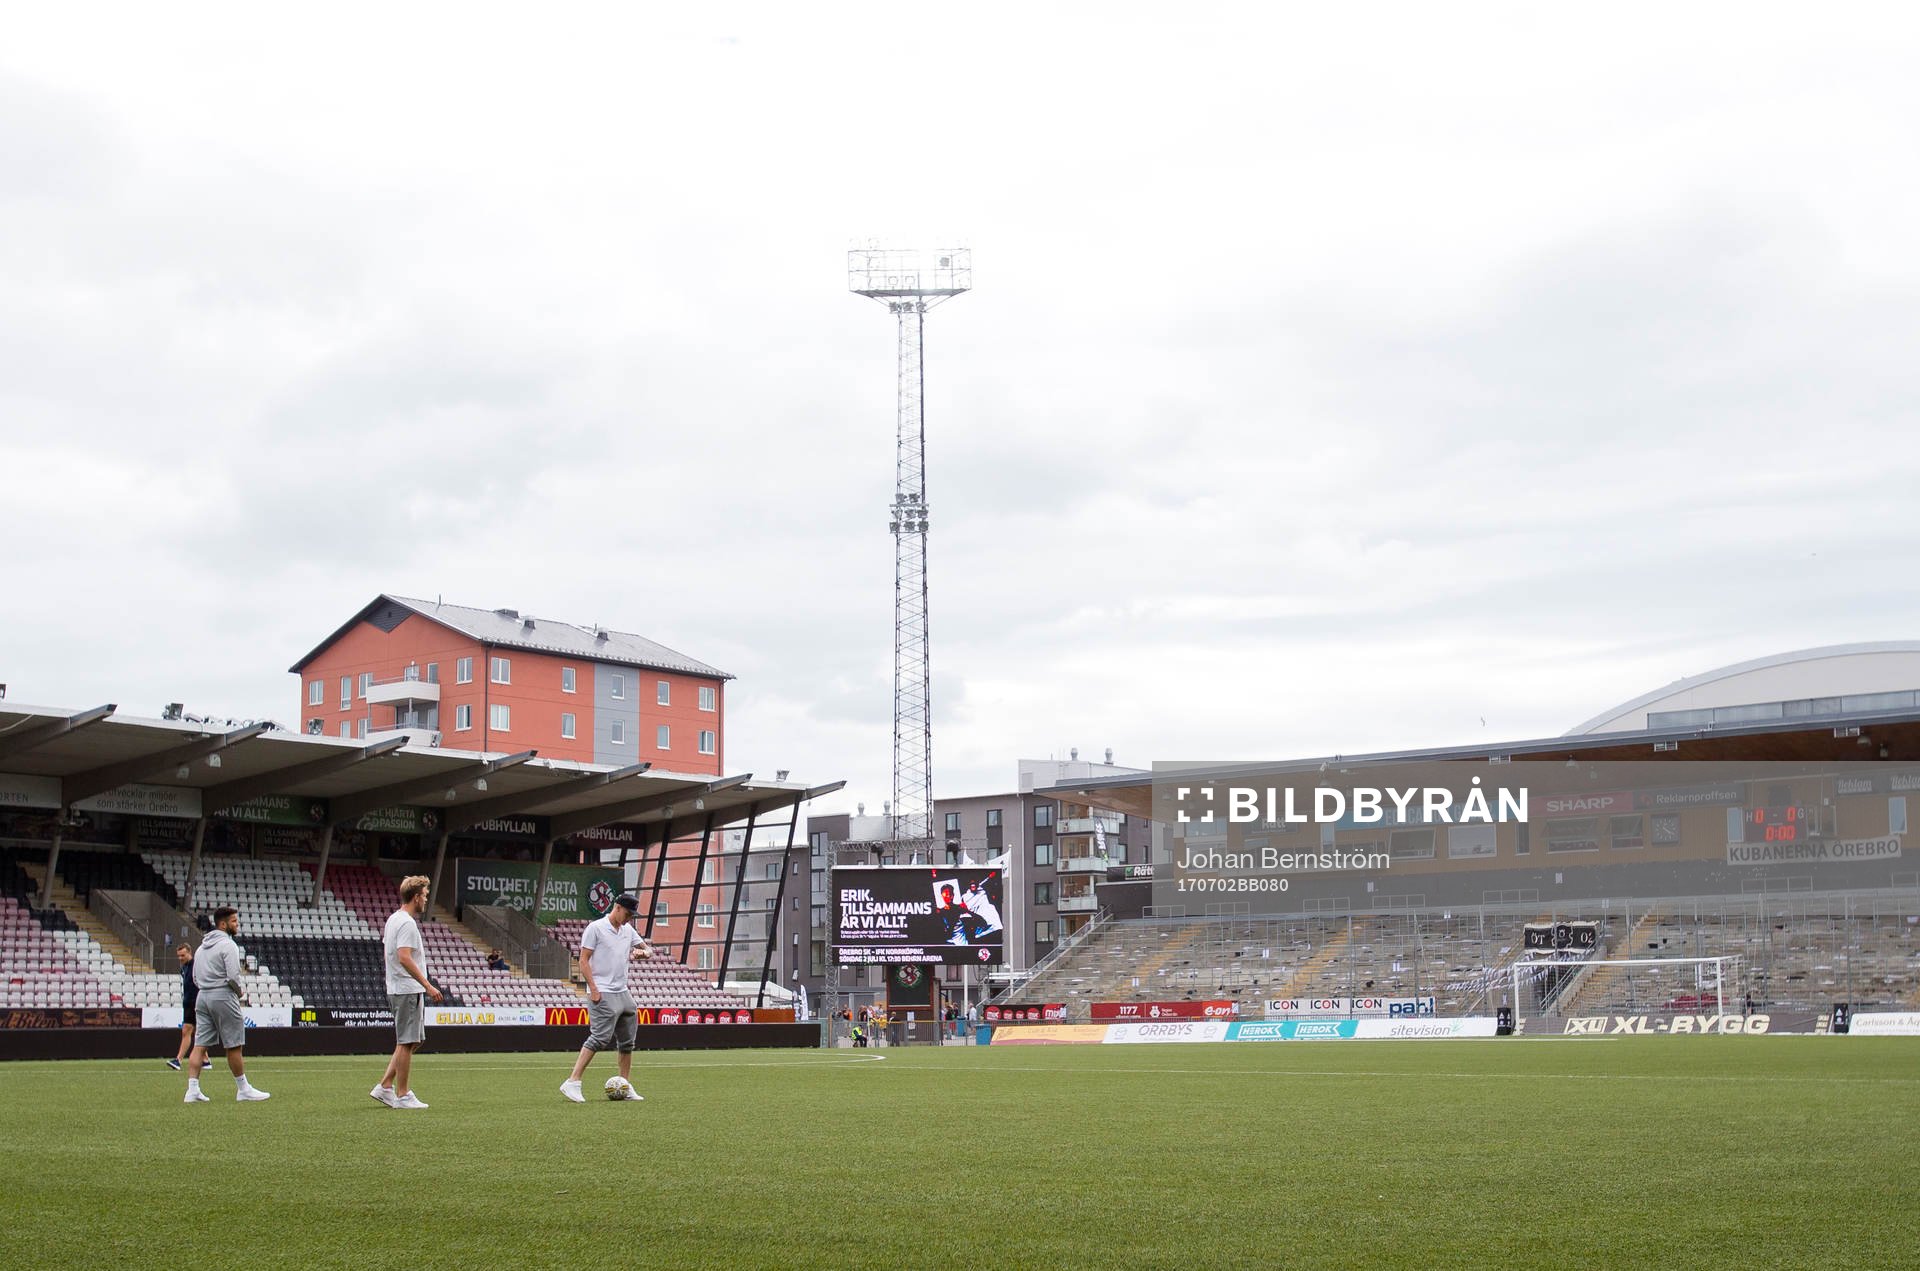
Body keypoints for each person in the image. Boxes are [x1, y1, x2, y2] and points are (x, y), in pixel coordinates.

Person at [559, 893, 653, 1103]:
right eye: (628, 913)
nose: (629, 918)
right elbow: (583, 960)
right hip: (602, 990)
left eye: (632, 915)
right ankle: (572, 1081)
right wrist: (593, 989)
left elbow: (648, 950)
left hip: (623, 992)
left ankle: (624, 1085)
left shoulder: (627, 930)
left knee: (628, 1042)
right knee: (600, 1038)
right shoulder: (596, 928)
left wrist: (643, 954)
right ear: (617, 907)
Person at [371, 875, 443, 1110]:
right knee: (406, 1041)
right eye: (424, 895)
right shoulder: (407, 923)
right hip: (406, 989)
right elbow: (403, 956)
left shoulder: (394, 919)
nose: (425, 900)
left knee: (414, 1040)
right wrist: (428, 985)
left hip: (400, 988)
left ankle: (385, 1085)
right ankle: (402, 1095)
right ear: (415, 897)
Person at [184, 907, 269, 1103]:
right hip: (223, 996)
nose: (236, 925)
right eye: (234, 922)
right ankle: (243, 1089)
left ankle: (192, 1090)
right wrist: (239, 992)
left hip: (202, 997)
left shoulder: (200, 948)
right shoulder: (229, 946)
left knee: (200, 1044)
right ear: (223, 924)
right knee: (233, 1045)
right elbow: (232, 976)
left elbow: (195, 978)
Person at [167, 940, 197, 1070]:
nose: (180, 958)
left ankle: (178, 1060)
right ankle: (206, 1060)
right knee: (195, 1032)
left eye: (183, 955)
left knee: (187, 1030)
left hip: (196, 1003)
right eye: (178, 956)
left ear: (189, 953)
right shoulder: (183, 968)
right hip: (188, 1003)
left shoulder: (197, 965)